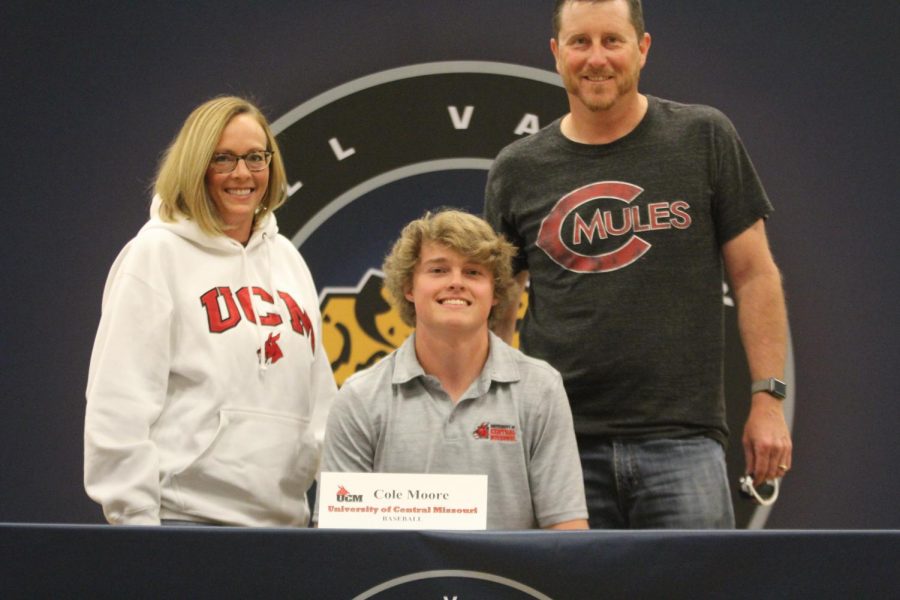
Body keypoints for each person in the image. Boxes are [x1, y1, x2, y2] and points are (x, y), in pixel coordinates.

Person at [484, 0, 792, 528]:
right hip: (560, 444)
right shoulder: (517, 168)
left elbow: (755, 275)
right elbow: (499, 303)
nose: (596, 58)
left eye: (613, 40)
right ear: (557, 54)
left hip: (683, 442)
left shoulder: (704, 137)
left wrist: (769, 399)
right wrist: (498, 423)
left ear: (642, 50)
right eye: (580, 42)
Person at [84, 96, 336, 527]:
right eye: (224, 158)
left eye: (256, 157)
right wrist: (139, 524)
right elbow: (118, 405)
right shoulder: (154, 254)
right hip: (183, 525)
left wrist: (332, 513)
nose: (243, 173)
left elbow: (321, 405)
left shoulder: (288, 259)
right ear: (196, 166)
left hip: (286, 529)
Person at [319, 210, 588, 530]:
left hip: (507, 582)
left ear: (496, 293)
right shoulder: (359, 397)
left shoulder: (540, 389)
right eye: (438, 270)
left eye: (473, 272)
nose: (456, 283)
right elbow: (337, 542)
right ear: (408, 287)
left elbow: (567, 532)